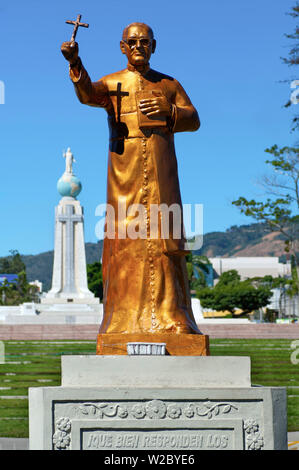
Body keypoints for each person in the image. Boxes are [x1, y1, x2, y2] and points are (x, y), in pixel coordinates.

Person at [61, 22, 201, 335]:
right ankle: (123, 322)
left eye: (145, 42)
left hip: (162, 175)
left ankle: (171, 316)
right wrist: (74, 62)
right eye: (132, 42)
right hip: (125, 172)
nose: (139, 47)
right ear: (123, 47)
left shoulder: (169, 83)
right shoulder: (113, 83)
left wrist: (170, 110)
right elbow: (86, 94)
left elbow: (193, 119)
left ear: (154, 45)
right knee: (125, 240)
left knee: (166, 242)